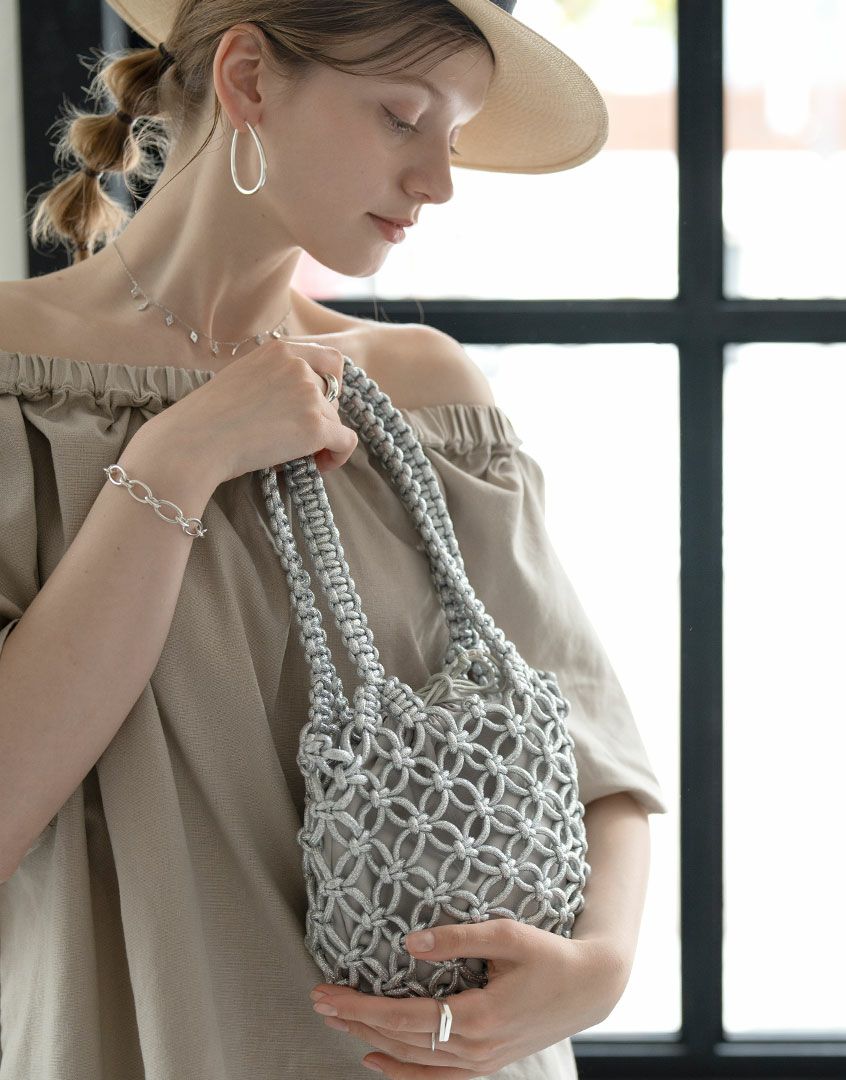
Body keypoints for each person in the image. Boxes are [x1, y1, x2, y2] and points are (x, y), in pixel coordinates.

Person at [0, 2, 669, 1077]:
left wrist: (601, 965)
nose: (438, 181)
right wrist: (174, 464)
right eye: (403, 117)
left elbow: (594, 757)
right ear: (250, 78)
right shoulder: (15, 384)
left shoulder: (426, 393)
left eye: (454, 136)